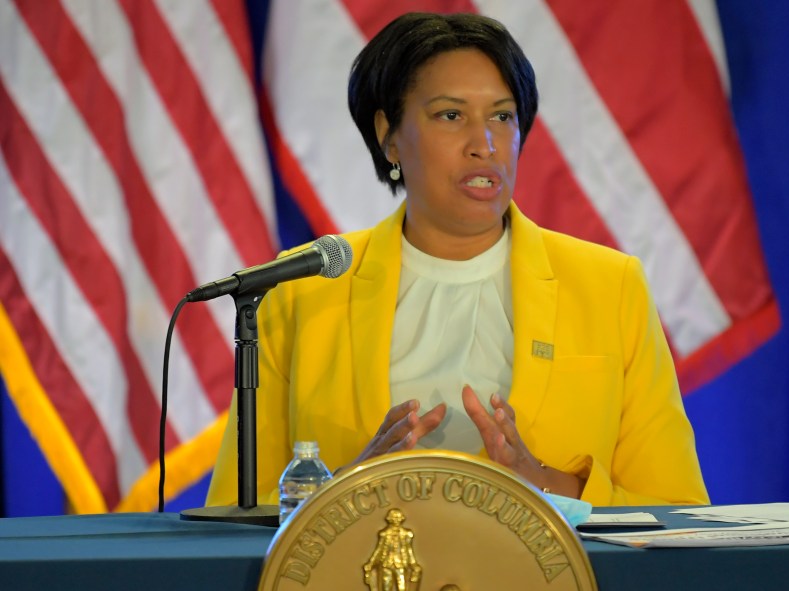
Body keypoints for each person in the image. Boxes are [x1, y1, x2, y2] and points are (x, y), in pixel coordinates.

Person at [206, 12, 709, 507]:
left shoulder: (608, 285)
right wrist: (350, 486)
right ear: (389, 135)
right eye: (451, 115)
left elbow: (672, 508)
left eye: (502, 116)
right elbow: (234, 511)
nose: (484, 145)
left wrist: (536, 479)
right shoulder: (303, 286)